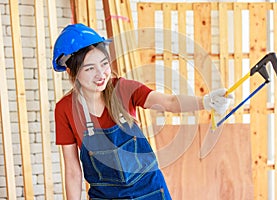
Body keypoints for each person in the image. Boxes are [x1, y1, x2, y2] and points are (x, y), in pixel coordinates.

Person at [52, 23, 233, 200]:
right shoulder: (65, 109)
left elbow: (169, 102)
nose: (101, 74)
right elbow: (73, 170)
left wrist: (205, 102)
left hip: (150, 191)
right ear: (72, 71)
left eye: (104, 64)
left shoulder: (123, 89)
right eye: (90, 68)